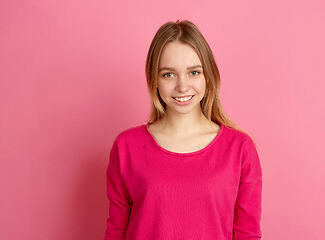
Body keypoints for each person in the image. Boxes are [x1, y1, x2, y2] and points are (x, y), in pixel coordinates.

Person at [104, 19, 263, 240]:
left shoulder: (240, 149)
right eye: (168, 74)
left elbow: (248, 235)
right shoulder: (126, 147)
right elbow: (116, 232)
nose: (182, 86)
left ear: (208, 75)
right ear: (154, 79)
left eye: (194, 72)